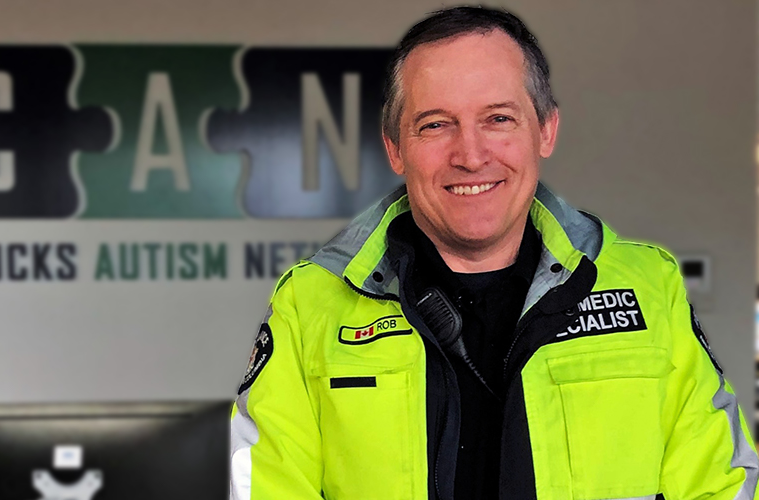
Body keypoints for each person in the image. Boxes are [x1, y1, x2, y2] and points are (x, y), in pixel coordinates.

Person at [229, 6, 758, 500]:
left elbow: (725, 484)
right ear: (395, 148)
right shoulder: (311, 304)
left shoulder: (647, 288)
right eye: (435, 124)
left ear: (545, 130)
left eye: (499, 118)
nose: (471, 154)